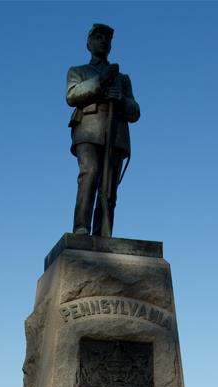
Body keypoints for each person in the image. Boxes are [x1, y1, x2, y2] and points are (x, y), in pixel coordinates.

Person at [66, 24, 140, 236]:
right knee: (89, 174)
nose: (103, 41)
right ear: (88, 44)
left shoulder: (123, 79)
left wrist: (122, 99)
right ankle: (81, 228)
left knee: (109, 189)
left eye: (107, 39)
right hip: (88, 131)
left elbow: (135, 112)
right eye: (98, 37)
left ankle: (103, 233)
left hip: (115, 134)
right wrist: (101, 80)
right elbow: (71, 96)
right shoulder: (78, 72)